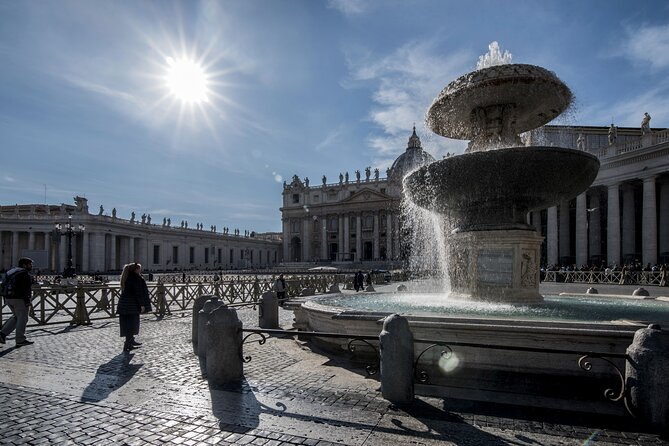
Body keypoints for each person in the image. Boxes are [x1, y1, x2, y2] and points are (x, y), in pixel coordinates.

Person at [116, 262, 152, 352]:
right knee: (132, 325)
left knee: (127, 325)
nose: (141, 270)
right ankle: (128, 344)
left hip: (124, 304)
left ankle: (130, 342)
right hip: (132, 305)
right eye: (139, 268)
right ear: (136, 269)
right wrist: (142, 305)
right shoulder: (135, 279)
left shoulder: (126, 277)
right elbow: (138, 293)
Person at [1, 257, 35, 346]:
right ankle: (20, 339)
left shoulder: (11, 272)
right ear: (24, 265)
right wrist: (27, 301)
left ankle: (2, 334)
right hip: (19, 299)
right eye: (30, 264)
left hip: (8, 298)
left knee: (17, 317)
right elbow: (25, 289)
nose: (31, 266)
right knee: (23, 318)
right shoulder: (24, 274)